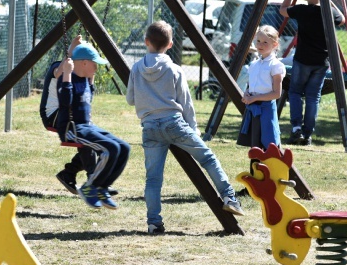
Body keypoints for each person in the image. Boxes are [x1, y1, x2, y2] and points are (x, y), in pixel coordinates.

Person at [126, 21, 244, 235]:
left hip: (150, 127)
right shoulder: (174, 69)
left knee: (153, 178)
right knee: (208, 158)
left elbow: (130, 100)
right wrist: (194, 129)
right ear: (170, 44)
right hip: (174, 123)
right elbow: (186, 103)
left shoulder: (136, 68)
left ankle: (154, 223)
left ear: (146, 42)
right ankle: (229, 197)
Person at [39, 36, 118, 197]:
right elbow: (61, 71)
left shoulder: (79, 76)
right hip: (54, 114)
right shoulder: (59, 68)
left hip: (69, 114)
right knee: (85, 137)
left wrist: (92, 70)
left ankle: (69, 173)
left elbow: (89, 91)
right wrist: (71, 50)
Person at [57, 43, 131, 209]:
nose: (97, 68)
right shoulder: (67, 79)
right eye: (94, 64)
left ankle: (102, 187)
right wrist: (67, 73)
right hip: (72, 129)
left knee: (124, 147)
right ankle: (90, 187)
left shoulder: (85, 79)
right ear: (83, 63)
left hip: (87, 126)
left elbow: (89, 96)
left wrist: (91, 78)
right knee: (110, 148)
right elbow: (65, 103)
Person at [279, 0, 345, 146]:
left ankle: (296, 128)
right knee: (313, 97)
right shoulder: (328, 12)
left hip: (302, 59)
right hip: (321, 61)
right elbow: (342, 19)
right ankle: (307, 134)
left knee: (294, 92)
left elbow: (282, 10)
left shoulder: (302, 10)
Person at [237, 25, 285, 150]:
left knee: (270, 143)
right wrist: (247, 94)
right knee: (255, 145)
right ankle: (256, 168)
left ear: (274, 44)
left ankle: (274, 167)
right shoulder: (254, 64)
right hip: (253, 108)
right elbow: (251, 85)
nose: (260, 45)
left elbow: (276, 93)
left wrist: (256, 98)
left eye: (265, 42)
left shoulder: (276, 66)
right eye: (258, 41)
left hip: (266, 108)